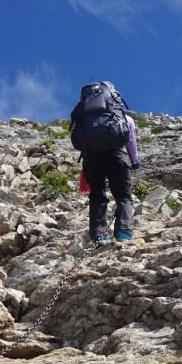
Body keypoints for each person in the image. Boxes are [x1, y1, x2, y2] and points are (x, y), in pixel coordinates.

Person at [69, 80, 141, 244]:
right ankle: (123, 232)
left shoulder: (82, 118)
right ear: (114, 98)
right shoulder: (123, 118)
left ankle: (98, 234)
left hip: (92, 159)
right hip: (118, 157)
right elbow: (131, 143)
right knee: (123, 196)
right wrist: (135, 162)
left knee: (97, 195)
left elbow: (81, 140)